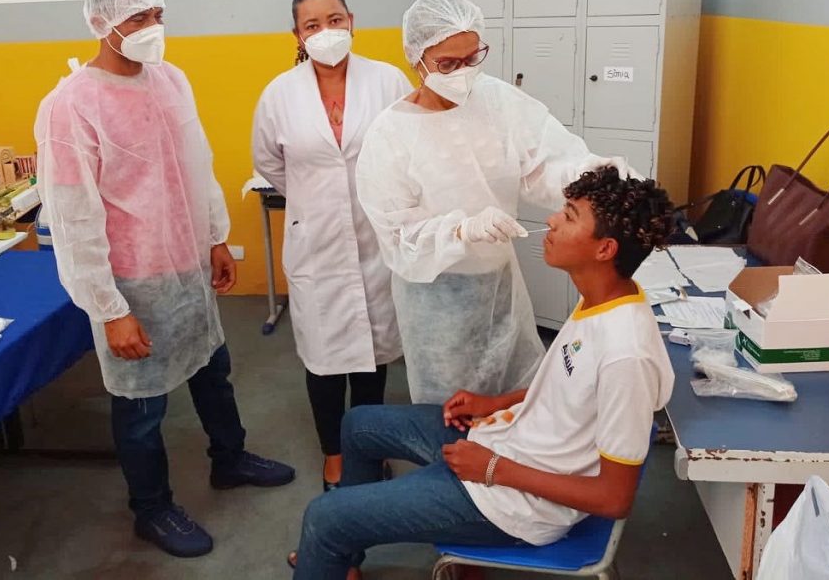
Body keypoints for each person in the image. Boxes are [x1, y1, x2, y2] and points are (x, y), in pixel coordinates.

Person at [289, 167, 676, 579]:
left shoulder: (626, 355)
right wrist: (496, 404)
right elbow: (572, 391)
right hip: (507, 442)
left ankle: (331, 543)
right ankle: (338, 558)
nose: (551, 221)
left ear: (605, 249)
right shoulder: (601, 299)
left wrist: (493, 468)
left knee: (323, 518)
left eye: (569, 216)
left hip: (518, 505)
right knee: (359, 426)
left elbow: (614, 498)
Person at [35, 0, 294, 559]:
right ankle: (151, 509)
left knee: (213, 368)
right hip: (132, 280)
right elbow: (74, 216)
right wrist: (109, 309)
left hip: (188, 265)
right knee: (141, 406)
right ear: (100, 23)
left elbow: (196, 165)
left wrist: (215, 238)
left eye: (157, 14)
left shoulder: (171, 80)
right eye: (137, 18)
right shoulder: (70, 106)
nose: (153, 27)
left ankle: (229, 459)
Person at [355, 0, 635, 405]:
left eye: (472, 58)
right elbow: (398, 236)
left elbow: (544, 162)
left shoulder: (497, 101)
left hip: (502, 287)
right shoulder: (390, 135)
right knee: (451, 412)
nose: (463, 73)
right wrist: (461, 230)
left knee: (518, 395)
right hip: (437, 301)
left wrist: (596, 175)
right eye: (447, 64)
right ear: (416, 60)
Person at [252, 0, 411, 490]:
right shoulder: (279, 95)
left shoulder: (387, 81)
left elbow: (408, 147)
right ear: (297, 35)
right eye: (313, 25)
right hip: (315, 243)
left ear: (351, 21)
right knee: (323, 359)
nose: (326, 32)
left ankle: (368, 446)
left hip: (373, 237)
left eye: (335, 20)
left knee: (372, 355)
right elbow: (268, 162)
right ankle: (335, 454)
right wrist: (315, 198)